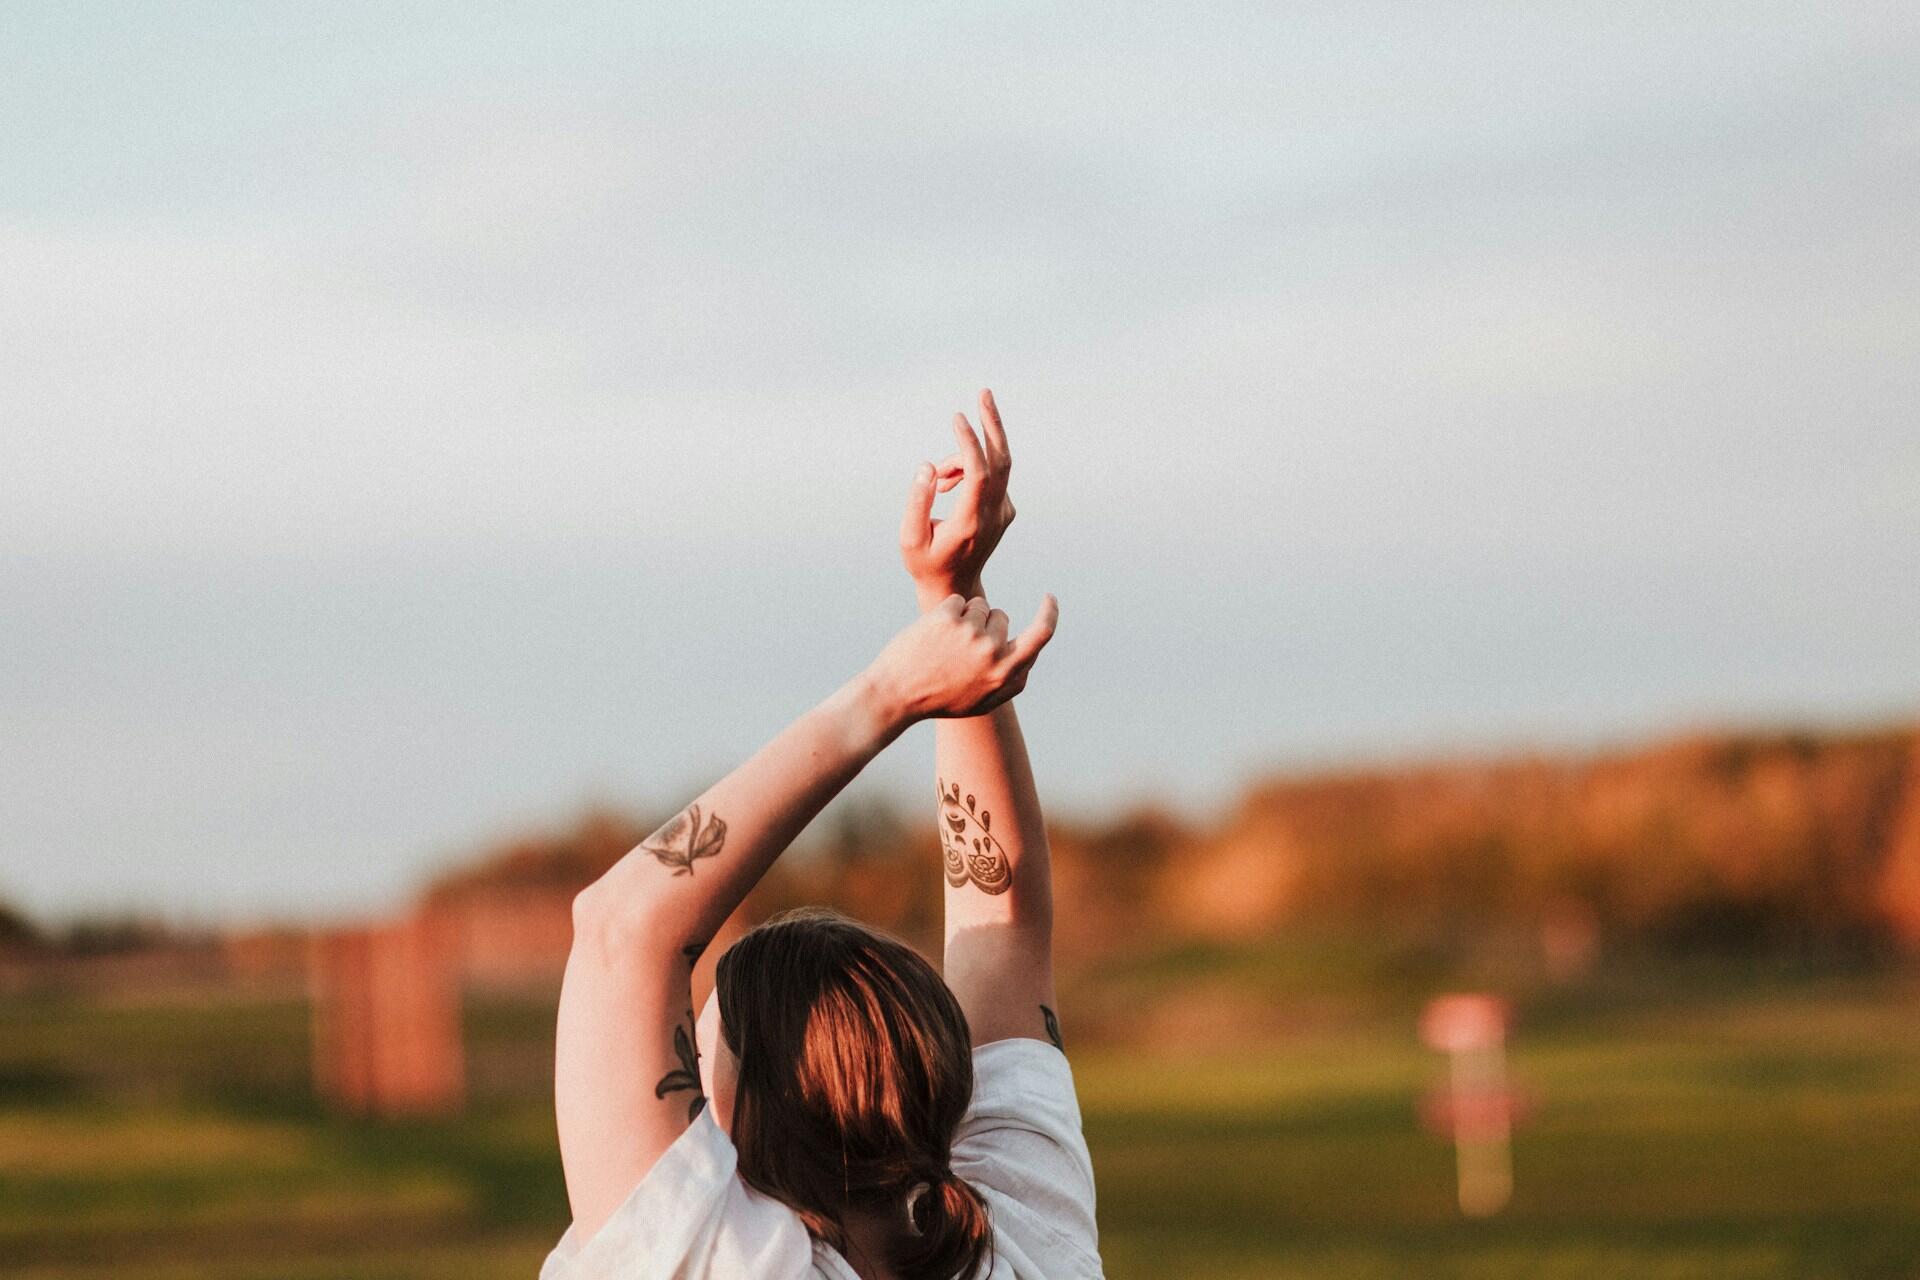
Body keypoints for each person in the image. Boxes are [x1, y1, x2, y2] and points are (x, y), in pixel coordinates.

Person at [541, 390, 1103, 1280]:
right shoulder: (1027, 1240)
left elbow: (625, 926)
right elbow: (1005, 930)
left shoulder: (717, 1262)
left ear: (745, 1114)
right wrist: (949, 613)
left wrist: (889, 696)